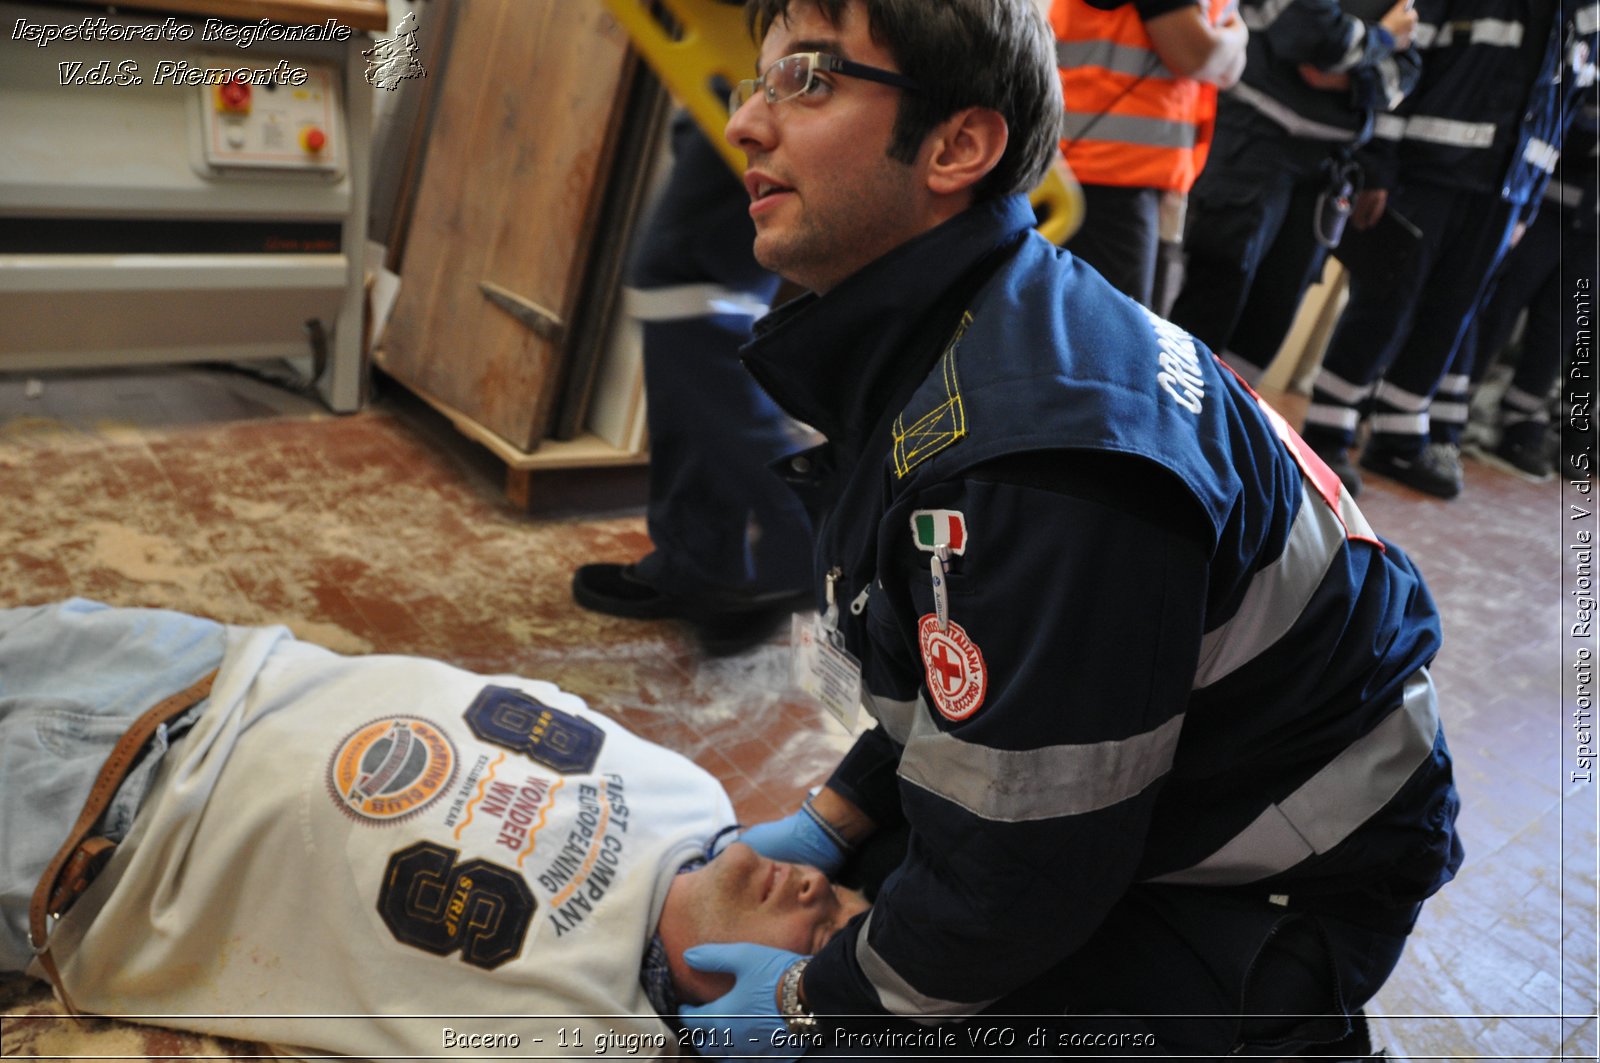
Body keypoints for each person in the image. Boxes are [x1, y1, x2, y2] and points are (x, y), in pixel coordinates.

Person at [673, 0, 1463, 1058]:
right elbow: (980, 681)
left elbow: (1020, 878)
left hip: (1284, 868)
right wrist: (845, 811)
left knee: (908, 1004)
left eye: (807, 78)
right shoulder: (971, 325)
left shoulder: (1035, 465)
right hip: (1194, 769)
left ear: (957, 144)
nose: (745, 122)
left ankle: (1275, 1019)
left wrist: (811, 1009)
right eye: (759, 80)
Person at [2, 598, 868, 1060]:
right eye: (846, 894)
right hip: (200, 667)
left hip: (99, 841)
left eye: (823, 934)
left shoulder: (593, 1033)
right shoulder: (694, 795)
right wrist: (833, 817)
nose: (819, 886)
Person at [1298, 0, 1599, 498]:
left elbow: (1561, 114)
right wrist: (1379, 169)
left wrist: (1524, 204)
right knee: (1385, 301)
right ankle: (1328, 431)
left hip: (1505, 192)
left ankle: (1398, 436)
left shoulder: (1581, 20)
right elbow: (1408, 63)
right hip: (1425, 172)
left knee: (1451, 315)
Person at [570, 111, 816, 656]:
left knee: (686, 298)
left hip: (767, 85)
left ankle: (800, 539)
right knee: (685, 326)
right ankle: (700, 562)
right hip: (743, 85)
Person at [1165, 0, 1421, 384]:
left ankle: (1216, 428)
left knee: (1273, 315)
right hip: (1253, 139)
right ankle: (1162, 415)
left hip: (1327, 164)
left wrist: (1344, 71)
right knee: (1214, 294)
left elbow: (1404, 75)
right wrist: (1382, 37)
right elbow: (1312, 37)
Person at [1050, 0, 1249, 307]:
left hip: (1132, 173)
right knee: (1102, 333)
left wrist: (1226, 44)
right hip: (1100, 172)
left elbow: (1229, 68)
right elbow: (1195, 55)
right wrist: (1238, 35)